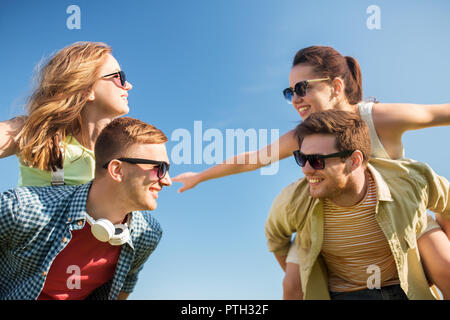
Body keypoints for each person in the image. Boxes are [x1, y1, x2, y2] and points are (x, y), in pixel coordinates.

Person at [173, 46, 450, 299]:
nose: (295, 99)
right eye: (290, 92)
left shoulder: (378, 118)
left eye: (302, 88)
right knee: (292, 286)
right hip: (328, 224)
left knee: (445, 266)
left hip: (399, 215)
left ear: (335, 87)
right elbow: (254, 159)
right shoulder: (302, 135)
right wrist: (200, 176)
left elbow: (440, 113)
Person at [265, 110, 449, 300]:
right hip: (344, 294)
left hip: (404, 288)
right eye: (301, 158)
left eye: (317, 161)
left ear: (354, 161)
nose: (306, 169)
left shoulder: (410, 180)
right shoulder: (293, 201)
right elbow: (275, 239)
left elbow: (448, 206)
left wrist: (434, 254)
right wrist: (304, 271)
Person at [0, 117, 172, 300]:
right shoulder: (20, 209)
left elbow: (127, 281)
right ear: (117, 170)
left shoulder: (147, 234)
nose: (167, 181)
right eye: (159, 169)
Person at [0, 41, 132, 187]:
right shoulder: (36, 133)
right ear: (86, 89)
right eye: (119, 77)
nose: (128, 86)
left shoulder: (124, 155)